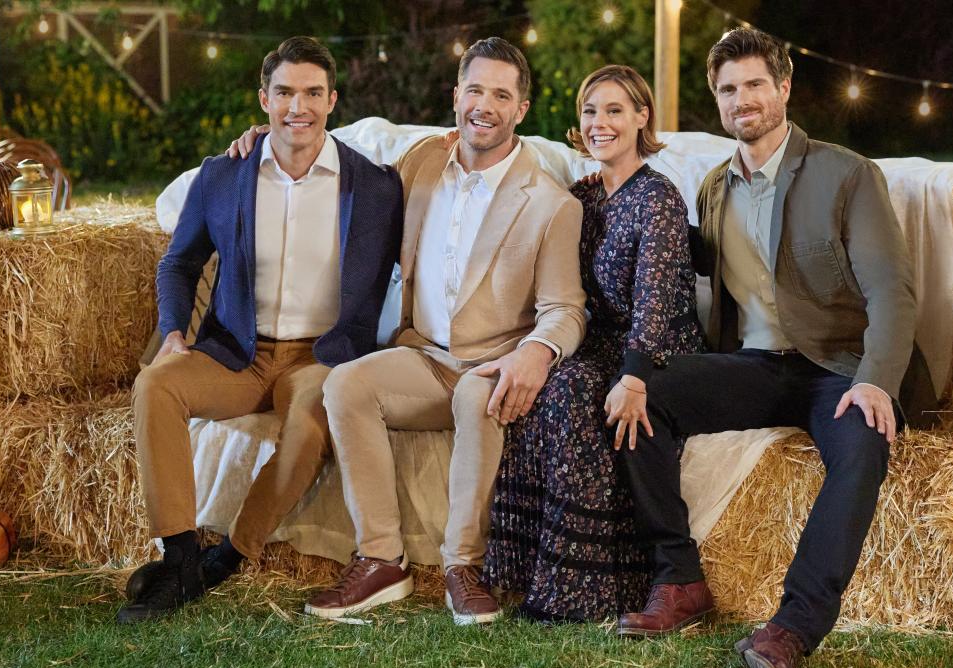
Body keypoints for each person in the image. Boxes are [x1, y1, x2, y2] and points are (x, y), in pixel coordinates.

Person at [615, 27, 933, 668]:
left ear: (784, 88)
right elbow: (679, 261)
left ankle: (791, 627)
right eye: (728, 89)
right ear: (718, 101)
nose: (743, 99)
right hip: (757, 365)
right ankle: (679, 578)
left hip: (839, 365)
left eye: (756, 83)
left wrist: (876, 379)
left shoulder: (845, 173)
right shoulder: (712, 188)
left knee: (863, 443)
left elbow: (891, 291)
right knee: (644, 393)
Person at [231, 37, 587, 625]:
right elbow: (333, 169)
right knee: (343, 385)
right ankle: (381, 561)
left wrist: (538, 352)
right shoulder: (420, 164)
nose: (485, 106)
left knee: (478, 394)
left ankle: (462, 568)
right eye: (476, 90)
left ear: (522, 109)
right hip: (422, 356)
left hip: (493, 365)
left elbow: (566, 308)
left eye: (502, 94)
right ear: (455, 96)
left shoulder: (550, 203)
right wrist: (263, 139)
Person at [117, 36, 403, 624]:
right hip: (237, 351)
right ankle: (179, 558)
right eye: (285, 93)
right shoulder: (225, 175)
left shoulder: (375, 187)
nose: (298, 106)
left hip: (322, 356)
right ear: (264, 100)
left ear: (332, 101)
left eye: (312, 93)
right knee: (157, 385)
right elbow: (179, 261)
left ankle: (229, 556)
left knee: (305, 429)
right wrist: (174, 331)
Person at [483, 65, 703, 623]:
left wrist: (633, 376)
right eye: (590, 111)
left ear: (641, 118)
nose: (600, 123)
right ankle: (528, 571)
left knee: (572, 390)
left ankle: (583, 592)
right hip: (595, 342)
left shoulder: (658, 198)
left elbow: (655, 303)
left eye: (614, 110)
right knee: (542, 381)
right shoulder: (579, 195)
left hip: (656, 350)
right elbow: (515, 166)